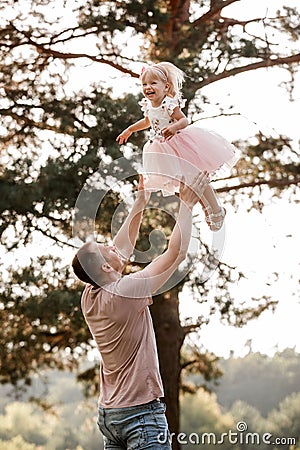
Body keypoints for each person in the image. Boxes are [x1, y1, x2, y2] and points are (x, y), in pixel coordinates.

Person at [72, 172, 209, 449]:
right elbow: (176, 254)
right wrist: (187, 204)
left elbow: (122, 248)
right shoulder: (125, 292)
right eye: (104, 247)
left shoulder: (91, 295)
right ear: (106, 268)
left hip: (110, 415)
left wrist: (140, 201)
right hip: (140, 416)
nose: (112, 244)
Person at [116, 61, 239, 231]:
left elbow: (184, 120)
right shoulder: (148, 106)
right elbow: (147, 121)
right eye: (144, 84)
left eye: (153, 83)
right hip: (163, 148)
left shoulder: (169, 103)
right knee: (188, 183)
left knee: (197, 176)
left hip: (180, 143)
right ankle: (206, 208)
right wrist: (130, 129)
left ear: (166, 87)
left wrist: (173, 127)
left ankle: (216, 209)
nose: (148, 87)